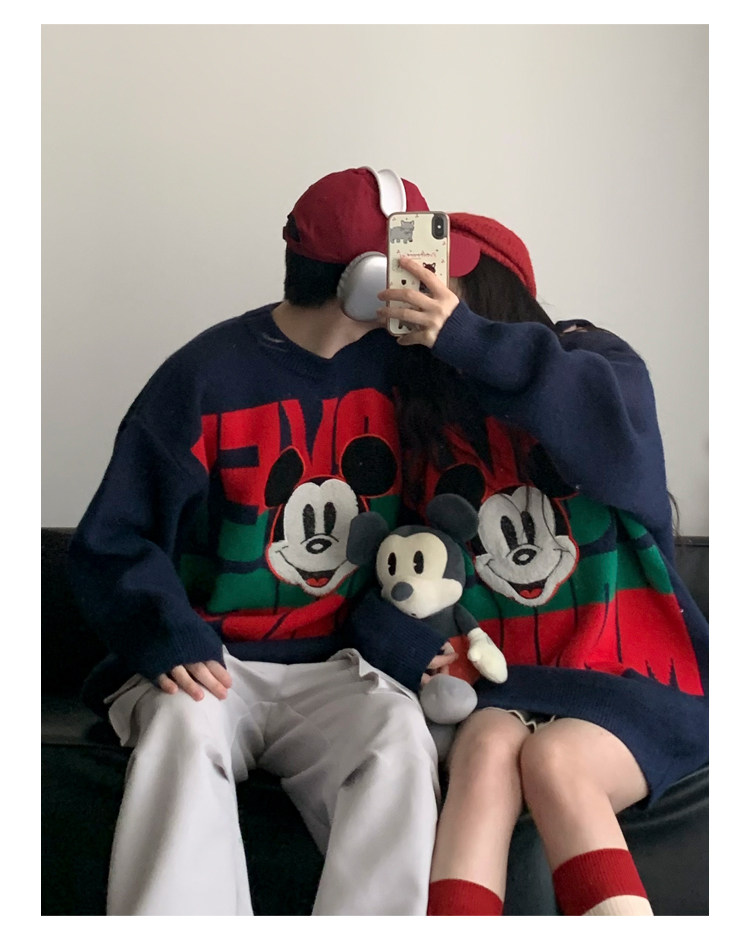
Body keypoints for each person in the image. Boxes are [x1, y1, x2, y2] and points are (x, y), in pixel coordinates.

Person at [66, 166, 447, 916]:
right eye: (413, 263)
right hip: (209, 661)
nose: (433, 285)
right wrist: (168, 634)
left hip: (337, 668)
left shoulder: (413, 378)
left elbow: (431, 533)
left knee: (400, 737)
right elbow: (112, 538)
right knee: (182, 730)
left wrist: (399, 636)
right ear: (369, 281)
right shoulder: (204, 377)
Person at [362, 212, 709, 916]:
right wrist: (406, 648)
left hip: (632, 678)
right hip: (504, 681)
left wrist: (467, 338)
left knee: (556, 759)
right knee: (486, 747)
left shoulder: (592, 361)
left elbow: (610, 432)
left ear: (493, 288)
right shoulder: (425, 418)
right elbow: (395, 565)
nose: (423, 294)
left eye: (441, 277)